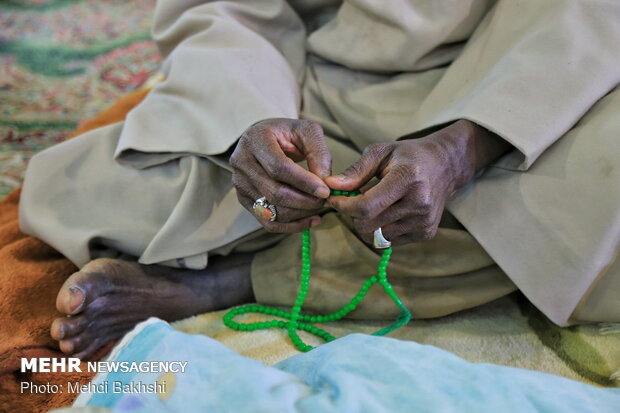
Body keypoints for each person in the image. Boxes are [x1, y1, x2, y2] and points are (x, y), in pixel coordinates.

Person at [19, 0, 620, 360]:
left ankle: (234, 281)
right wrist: (246, 129)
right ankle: (432, 247)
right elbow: (225, 9)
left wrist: (465, 149)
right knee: (80, 188)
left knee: (604, 181)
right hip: (317, 83)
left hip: (528, 93)